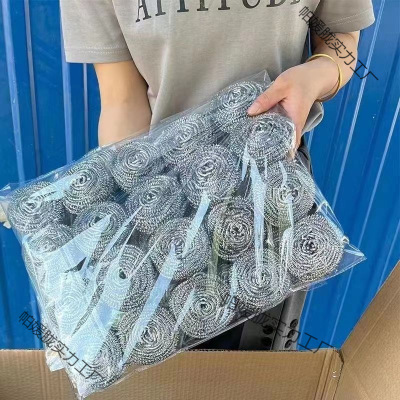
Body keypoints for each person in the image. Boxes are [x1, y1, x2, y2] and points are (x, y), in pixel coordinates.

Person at [60, 0, 375, 351]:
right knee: (155, 353)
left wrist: (314, 75)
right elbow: (122, 100)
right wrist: (132, 218)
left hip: (274, 188)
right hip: (166, 198)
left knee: (255, 365)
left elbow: (340, 37)